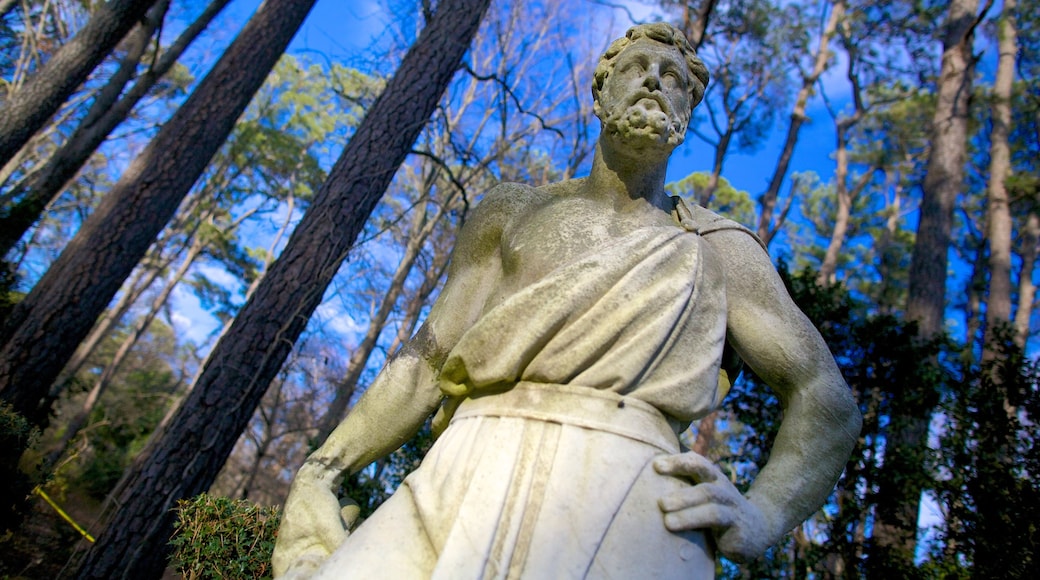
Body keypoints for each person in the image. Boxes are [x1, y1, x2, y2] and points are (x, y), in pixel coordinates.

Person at [272, 22, 861, 579]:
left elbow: (824, 398)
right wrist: (326, 468)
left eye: (674, 78)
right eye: (637, 68)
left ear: (687, 112)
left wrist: (764, 514)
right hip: (466, 462)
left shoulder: (715, 247)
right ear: (601, 95)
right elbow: (427, 361)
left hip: (634, 491)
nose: (656, 80)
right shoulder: (510, 212)